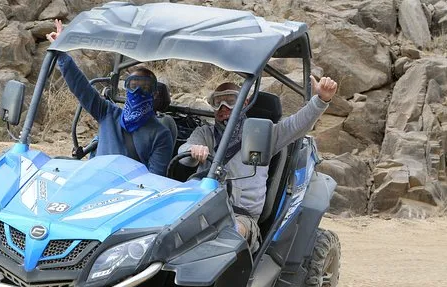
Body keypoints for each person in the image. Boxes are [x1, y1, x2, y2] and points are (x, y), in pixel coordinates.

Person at [178, 76, 338, 251]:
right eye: (218, 102)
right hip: (202, 209)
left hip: (240, 216)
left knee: (227, 235)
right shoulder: (204, 133)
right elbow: (184, 155)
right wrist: (194, 150)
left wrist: (321, 100)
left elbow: (295, 125)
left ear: (244, 103)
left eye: (231, 101)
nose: (223, 107)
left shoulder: (263, 134)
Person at [47, 20, 173, 176]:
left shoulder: (160, 134)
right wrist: (61, 53)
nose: (138, 91)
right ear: (126, 89)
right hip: (94, 181)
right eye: (133, 85)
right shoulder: (108, 113)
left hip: (127, 189)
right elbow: (81, 88)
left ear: (154, 93)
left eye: (145, 87)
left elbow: (154, 180)